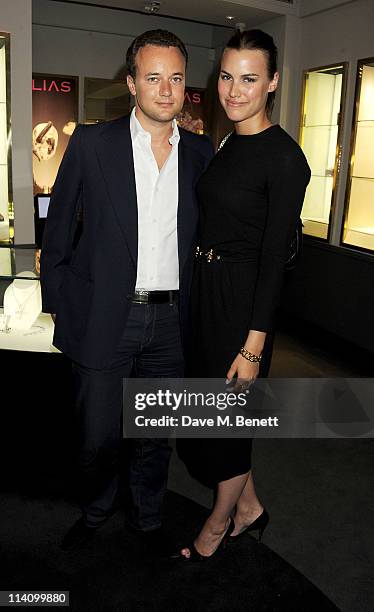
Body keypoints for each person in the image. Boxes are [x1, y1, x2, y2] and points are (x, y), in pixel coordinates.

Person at [40, 29, 214, 552]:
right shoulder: (94, 144)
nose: (166, 89)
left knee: (155, 434)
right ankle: (94, 514)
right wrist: (63, 308)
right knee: (97, 435)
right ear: (132, 83)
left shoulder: (201, 153)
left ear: (186, 87)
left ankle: (147, 519)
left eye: (176, 78)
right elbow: (58, 232)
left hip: (171, 322)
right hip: (104, 317)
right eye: (154, 77)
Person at [175, 29, 311, 560]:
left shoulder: (285, 158)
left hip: (242, 305)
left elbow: (275, 259)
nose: (234, 90)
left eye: (249, 79)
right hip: (207, 293)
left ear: (273, 82)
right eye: (227, 77)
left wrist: (253, 346)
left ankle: (217, 524)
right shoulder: (228, 141)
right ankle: (250, 508)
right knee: (208, 416)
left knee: (224, 426)